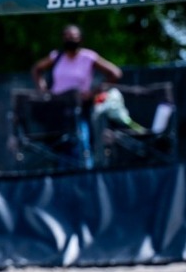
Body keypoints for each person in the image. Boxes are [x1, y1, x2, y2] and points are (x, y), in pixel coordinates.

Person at [31, 24, 122, 166]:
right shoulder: (56, 57)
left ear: (80, 39)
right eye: (66, 37)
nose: (70, 40)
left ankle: (86, 176)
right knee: (58, 147)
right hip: (57, 110)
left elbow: (115, 73)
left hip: (79, 109)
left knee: (81, 143)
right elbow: (37, 69)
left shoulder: (88, 57)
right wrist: (43, 90)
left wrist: (93, 93)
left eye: (73, 37)